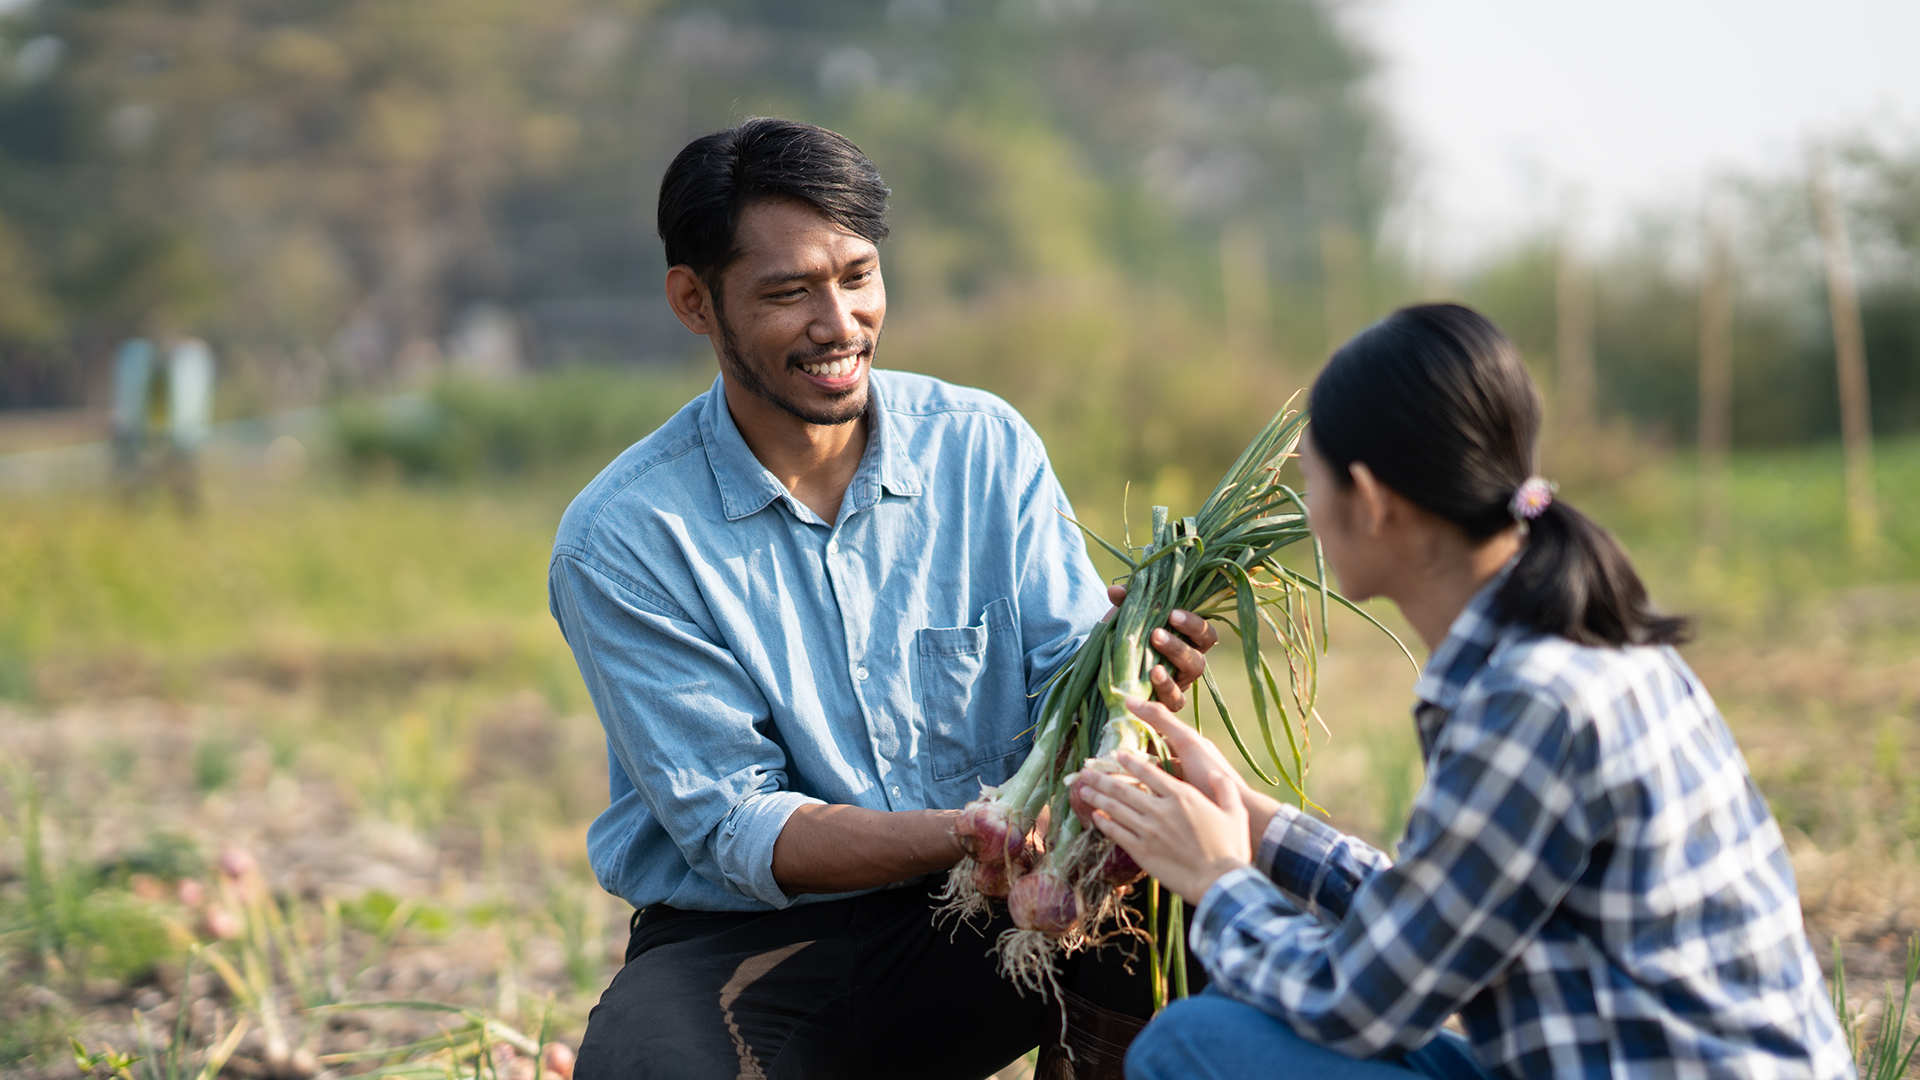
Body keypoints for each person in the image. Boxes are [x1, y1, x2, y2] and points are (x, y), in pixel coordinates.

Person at [547, 118, 1217, 1079]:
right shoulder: (626, 538)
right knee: (652, 1067)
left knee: (1187, 897)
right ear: (695, 303)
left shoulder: (983, 447)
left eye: (857, 277)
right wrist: (963, 831)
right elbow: (742, 828)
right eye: (788, 293)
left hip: (993, 908)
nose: (839, 323)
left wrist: (1123, 687)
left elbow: (1063, 712)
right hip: (751, 945)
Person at [1075, 304, 1855, 1079]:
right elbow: (1436, 914)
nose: (1308, 513)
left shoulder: (1531, 705)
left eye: (1311, 482)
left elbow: (1353, 1000)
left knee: (1192, 1043)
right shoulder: (1578, 654)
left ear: (1373, 500)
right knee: (1236, 1023)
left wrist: (1219, 881)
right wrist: (1253, 820)